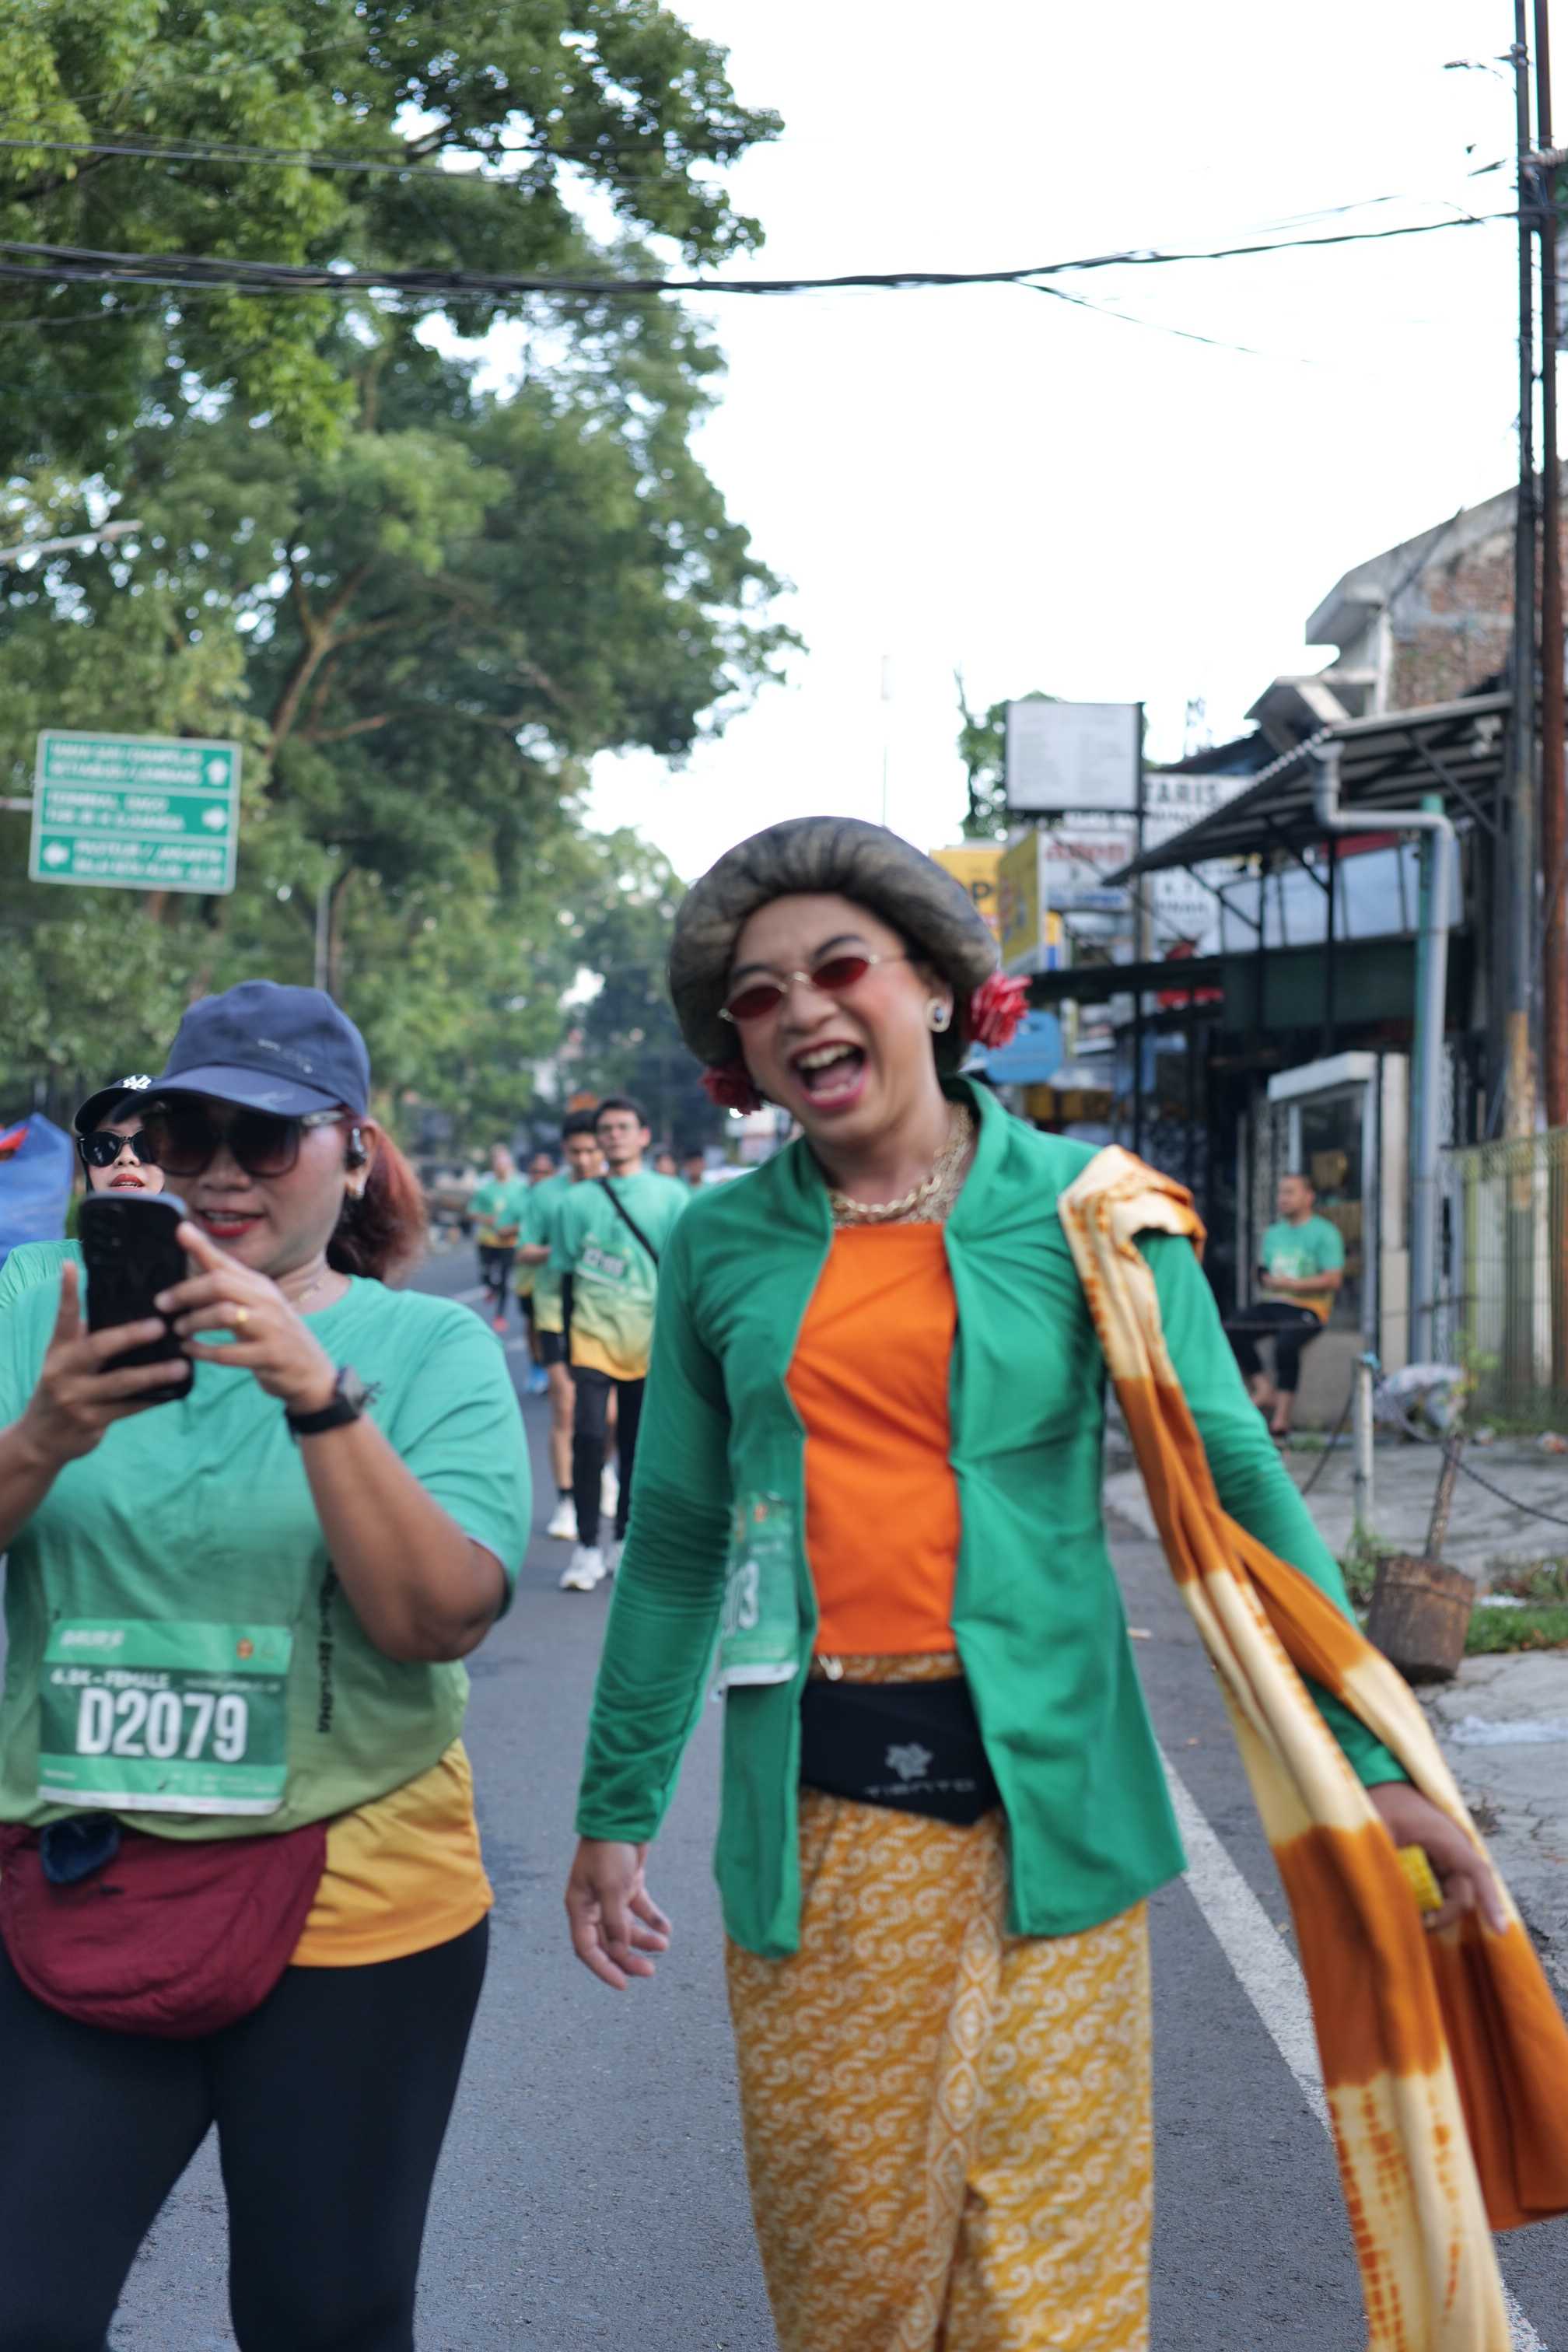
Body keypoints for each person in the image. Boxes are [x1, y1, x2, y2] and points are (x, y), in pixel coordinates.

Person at [563, 817, 1486, 2352]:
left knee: (1047, 2296)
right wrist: (616, 1804)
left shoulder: (1092, 1211)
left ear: (937, 987)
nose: (801, 1011)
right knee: (854, 2288)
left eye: (840, 968)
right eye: (758, 995)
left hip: (1054, 1820)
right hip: (824, 1833)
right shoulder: (720, 1244)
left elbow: (1235, 1486)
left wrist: (1370, 1757)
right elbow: (673, 1538)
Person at [0, 980, 530, 2352]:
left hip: (356, 1897)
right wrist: (42, 1436)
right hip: (81, 1871)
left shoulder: (429, 1347)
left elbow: (439, 1618)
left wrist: (313, 1392)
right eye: (190, 1133)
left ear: (354, 1154)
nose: (225, 1170)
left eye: (269, 1136)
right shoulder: (35, 1306)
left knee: (322, 2316)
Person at [551, 1094, 686, 1593]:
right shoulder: (575, 1202)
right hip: (591, 1338)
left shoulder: (672, 1196)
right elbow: (564, 1277)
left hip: (650, 1340)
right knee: (588, 1437)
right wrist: (559, 1347)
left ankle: (625, 1537)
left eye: (624, 1127)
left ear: (643, 1136)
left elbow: (683, 1274)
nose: (614, 1136)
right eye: (606, 1129)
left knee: (636, 1444)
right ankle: (587, 1546)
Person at [0, 1074, 164, 1313]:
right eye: (104, 1144)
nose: (126, 1158)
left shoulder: (210, 1274)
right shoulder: (31, 1269)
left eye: (148, 1143)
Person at [516, 1111, 604, 1538]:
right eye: (575, 1152)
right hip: (555, 1310)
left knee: (608, 1415)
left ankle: (600, 1471)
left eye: (591, 1151)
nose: (584, 1160)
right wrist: (563, 1250)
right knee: (565, 1405)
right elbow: (524, 1249)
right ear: (564, 1152)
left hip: (609, 1314)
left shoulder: (616, 1193)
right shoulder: (546, 1195)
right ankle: (568, 1500)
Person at [1226, 1170, 1346, 1437]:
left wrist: (1293, 1285)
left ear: (1309, 1197)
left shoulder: (1326, 1233)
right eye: (1281, 1192)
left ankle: (1281, 1418)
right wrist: (1264, 1278)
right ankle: (1263, 1388)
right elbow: (1262, 1270)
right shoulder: (1273, 1233)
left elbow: (1333, 1279)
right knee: (1233, 1327)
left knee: (1286, 1345)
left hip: (1309, 1309)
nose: (1283, 1198)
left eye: (1290, 1192)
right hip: (1274, 1303)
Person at [469, 1143, 529, 1335]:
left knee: (504, 1278)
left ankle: (500, 1316)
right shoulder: (485, 1186)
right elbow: (472, 1211)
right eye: (497, 1162)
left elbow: (529, 1211)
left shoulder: (521, 1186)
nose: (501, 1166)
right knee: (485, 1274)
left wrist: (517, 1227)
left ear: (510, 1164)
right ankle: (490, 1288)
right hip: (487, 1240)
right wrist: (487, 1219)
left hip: (509, 1242)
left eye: (504, 1162)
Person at [513, 1149, 558, 1395]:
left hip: (558, 1282)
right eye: (535, 1172)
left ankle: (555, 1375)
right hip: (529, 1278)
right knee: (533, 1325)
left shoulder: (566, 1196)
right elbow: (503, 1229)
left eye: (544, 1172)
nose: (539, 1176)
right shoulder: (520, 1198)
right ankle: (537, 1367)